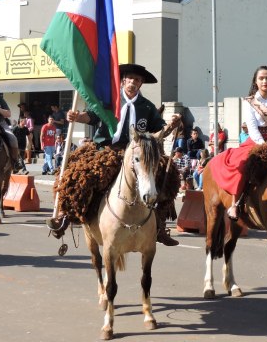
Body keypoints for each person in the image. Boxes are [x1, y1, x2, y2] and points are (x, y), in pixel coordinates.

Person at [62, 63, 181, 246]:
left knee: (167, 173)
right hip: (107, 150)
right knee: (82, 174)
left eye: (138, 80)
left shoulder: (147, 107)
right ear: (123, 80)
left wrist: (172, 126)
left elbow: (160, 131)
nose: (133, 82)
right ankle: (70, 213)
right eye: (130, 78)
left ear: (141, 84)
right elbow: (91, 116)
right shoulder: (109, 101)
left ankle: (160, 225)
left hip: (136, 153)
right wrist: (77, 117)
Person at [209, 66, 267, 221]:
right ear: (256, 82)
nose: (265, 81)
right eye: (261, 78)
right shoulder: (251, 102)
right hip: (256, 141)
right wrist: (264, 144)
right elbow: (251, 127)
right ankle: (235, 204)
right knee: (243, 165)